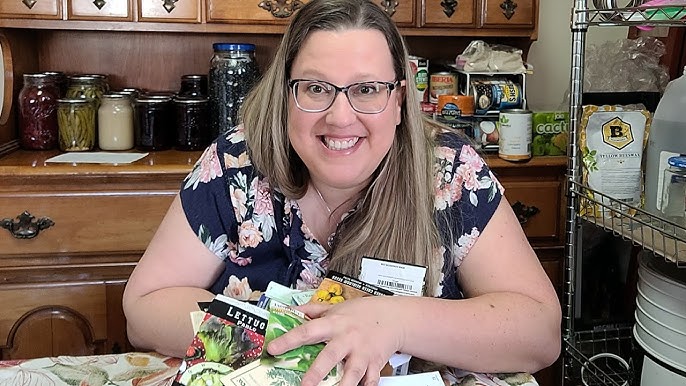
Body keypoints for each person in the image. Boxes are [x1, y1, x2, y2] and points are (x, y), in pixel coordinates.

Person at [122, 0, 561, 385]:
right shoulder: (236, 163)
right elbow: (144, 308)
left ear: (399, 100)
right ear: (285, 94)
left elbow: (538, 331)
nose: (340, 117)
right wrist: (285, 338)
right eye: (316, 88)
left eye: (367, 89)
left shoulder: (449, 171)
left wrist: (394, 321)